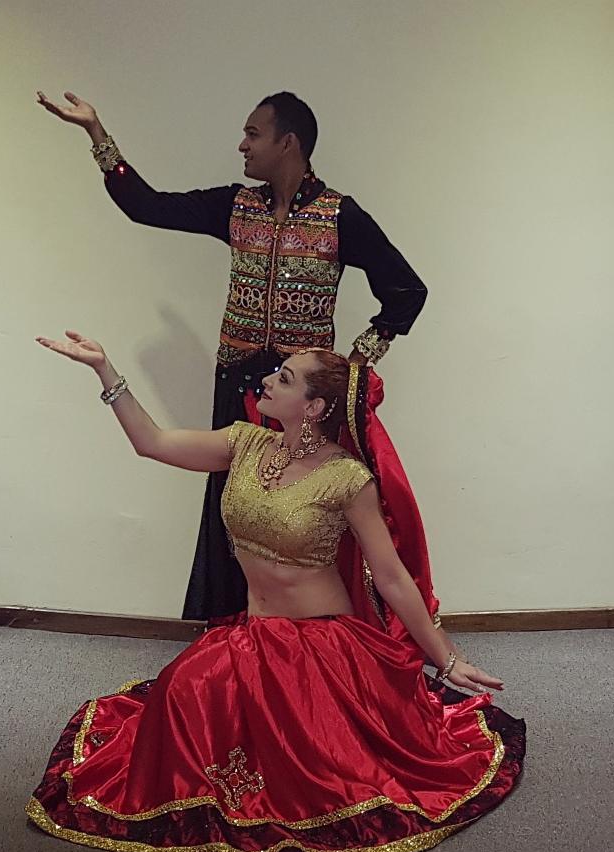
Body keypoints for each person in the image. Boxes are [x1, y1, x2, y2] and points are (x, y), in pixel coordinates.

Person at [25, 331, 526, 852]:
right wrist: (105, 369)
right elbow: (152, 442)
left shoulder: (346, 478)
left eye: (284, 378)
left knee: (320, 764)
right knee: (179, 695)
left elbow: (391, 576)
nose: (266, 380)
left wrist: (445, 658)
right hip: (251, 634)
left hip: (319, 644)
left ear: (314, 407)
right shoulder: (244, 443)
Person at [35, 89, 429, 624]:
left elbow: (407, 291)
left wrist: (354, 365)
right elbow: (146, 206)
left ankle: (315, 633)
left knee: (307, 512)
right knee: (234, 503)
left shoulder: (340, 215)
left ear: (288, 143)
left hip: (300, 395)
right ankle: (231, 630)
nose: (242, 145)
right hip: (239, 384)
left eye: (253, 134)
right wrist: (96, 133)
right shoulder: (236, 205)